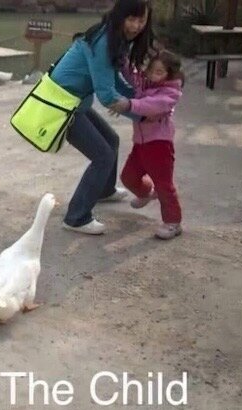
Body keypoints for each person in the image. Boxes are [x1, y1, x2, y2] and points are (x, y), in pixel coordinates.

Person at [50, 0, 154, 235]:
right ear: (119, 16)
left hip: (77, 101)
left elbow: (114, 80)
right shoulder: (104, 41)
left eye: (142, 20)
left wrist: (142, 100)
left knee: (111, 141)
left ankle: (104, 190)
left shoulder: (115, 38)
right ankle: (76, 218)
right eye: (131, 19)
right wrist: (142, 115)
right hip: (61, 104)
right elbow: (107, 96)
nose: (136, 26)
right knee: (103, 156)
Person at [119, 49, 184, 239]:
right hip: (140, 144)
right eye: (151, 70)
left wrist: (129, 105)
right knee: (128, 177)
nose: (153, 75)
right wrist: (122, 60)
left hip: (159, 145)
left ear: (169, 75)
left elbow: (152, 105)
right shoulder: (145, 83)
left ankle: (173, 222)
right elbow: (131, 75)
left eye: (159, 72)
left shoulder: (171, 93)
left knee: (164, 186)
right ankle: (146, 193)